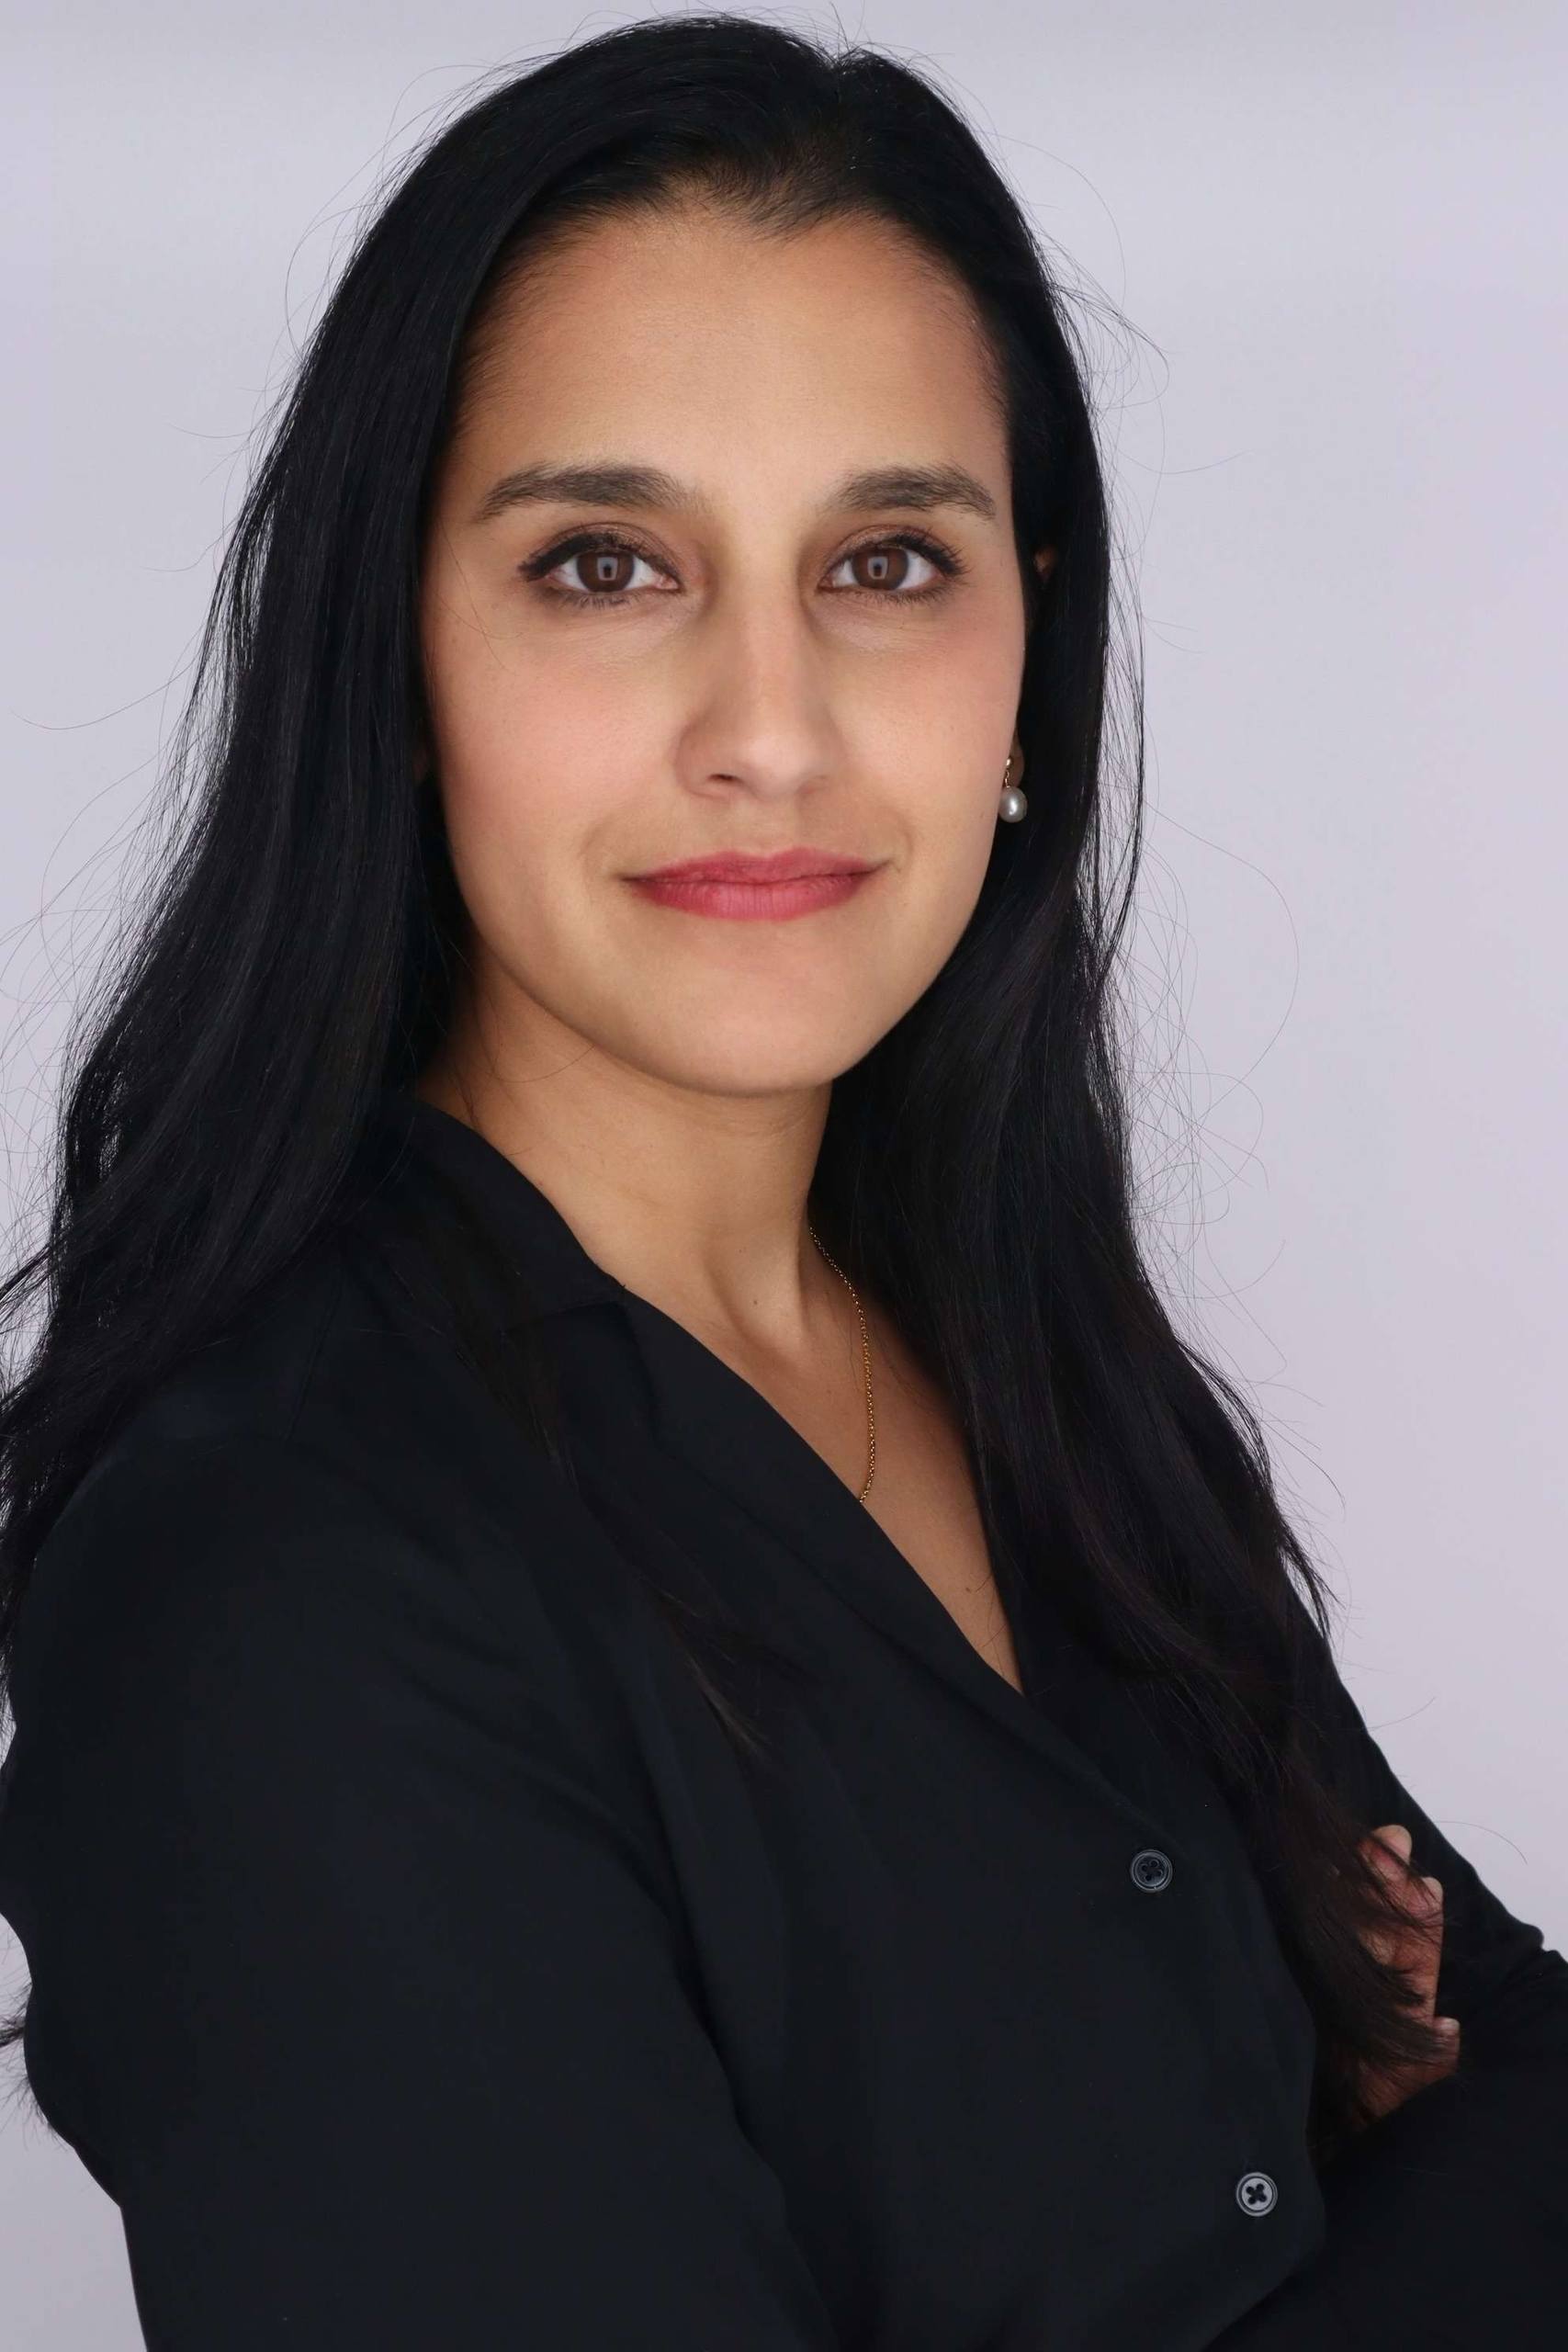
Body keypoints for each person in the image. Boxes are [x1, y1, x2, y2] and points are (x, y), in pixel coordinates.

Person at [0, 17, 1562, 2349]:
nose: (768, 724)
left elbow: (1521, 2057)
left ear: (1026, 656)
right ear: (394, 654)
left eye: (886, 560)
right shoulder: (274, 1591)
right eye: (606, 563)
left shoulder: (1023, 1349)